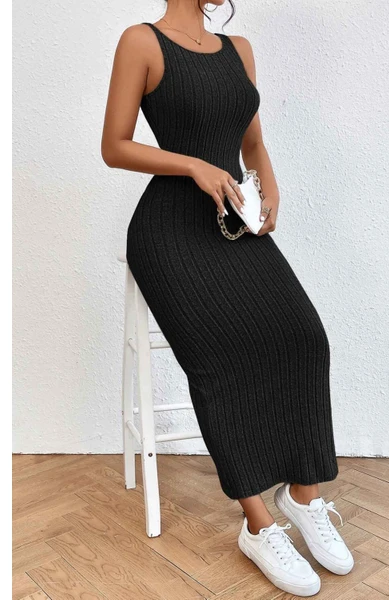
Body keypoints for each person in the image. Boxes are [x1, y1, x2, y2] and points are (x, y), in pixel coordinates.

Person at [101, 1, 354, 595]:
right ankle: (257, 524)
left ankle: (303, 496)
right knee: (220, 355)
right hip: (168, 228)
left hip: (232, 219)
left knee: (305, 337)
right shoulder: (142, 41)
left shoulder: (239, 51)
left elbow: (252, 141)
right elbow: (114, 146)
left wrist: (270, 187)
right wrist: (193, 165)